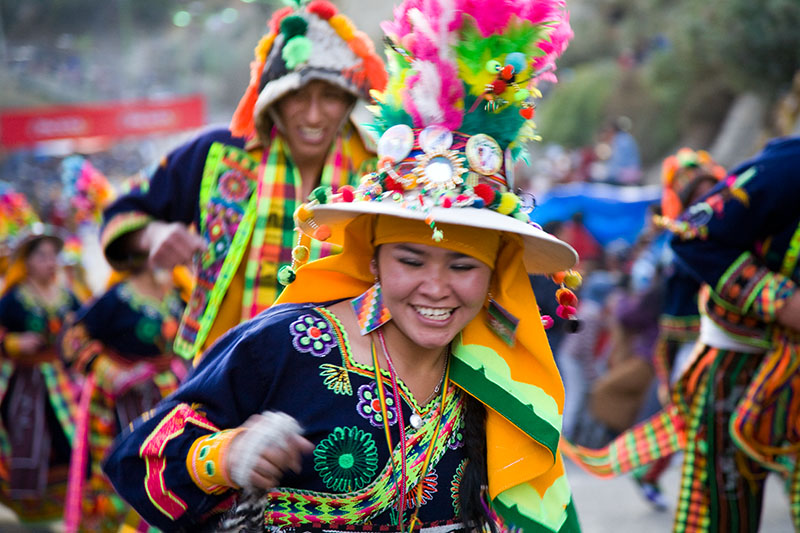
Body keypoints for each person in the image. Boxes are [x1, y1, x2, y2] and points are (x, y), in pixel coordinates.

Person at [103, 1, 582, 531]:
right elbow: (138, 458)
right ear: (371, 254)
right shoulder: (217, 159)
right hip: (249, 362)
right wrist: (227, 453)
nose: (437, 285)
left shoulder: (496, 376)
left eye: (329, 97)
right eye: (411, 257)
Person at [100, 0, 388, 361]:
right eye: (297, 94)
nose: (314, 114)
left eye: (330, 96)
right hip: (224, 367)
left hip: (340, 374)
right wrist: (152, 234)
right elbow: (123, 210)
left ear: (348, 100)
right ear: (272, 99)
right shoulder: (217, 153)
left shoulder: (377, 171)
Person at [562, 138, 800, 532]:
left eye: (709, 188)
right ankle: (648, 473)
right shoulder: (668, 256)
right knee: (716, 483)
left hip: (757, 360)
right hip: (724, 358)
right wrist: (784, 303)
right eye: (694, 193)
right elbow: (657, 304)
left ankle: (650, 473)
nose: (705, 197)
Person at [60, 264, 187, 533]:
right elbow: (72, 340)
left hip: (167, 393)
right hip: (120, 402)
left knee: (167, 462)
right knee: (124, 464)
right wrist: (112, 373)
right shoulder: (115, 298)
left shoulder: (178, 291)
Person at [0, 224, 81, 523]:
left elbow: (84, 329)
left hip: (63, 382)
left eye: (53, 255)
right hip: (26, 384)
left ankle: (64, 506)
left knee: (68, 439)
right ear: (26, 261)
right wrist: (13, 342)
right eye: (42, 255)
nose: (51, 262)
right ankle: (31, 507)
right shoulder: (12, 299)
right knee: (28, 438)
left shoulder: (68, 296)